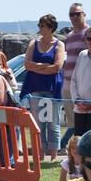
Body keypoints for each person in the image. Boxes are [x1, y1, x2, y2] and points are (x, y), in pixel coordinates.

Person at [21, 14, 66, 161]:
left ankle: (53, 156)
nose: (40, 28)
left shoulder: (59, 44)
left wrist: (37, 67)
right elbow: (27, 64)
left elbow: (57, 67)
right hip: (35, 87)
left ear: (51, 28)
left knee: (53, 123)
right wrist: (44, 66)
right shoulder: (33, 43)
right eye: (39, 25)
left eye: (43, 25)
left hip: (52, 88)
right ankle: (39, 154)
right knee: (38, 123)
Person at [60, 2, 90, 147]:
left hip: (82, 83)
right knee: (72, 120)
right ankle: (75, 148)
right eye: (72, 14)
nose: (75, 17)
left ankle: (77, 146)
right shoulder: (70, 35)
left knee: (83, 118)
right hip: (67, 82)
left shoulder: (90, 34)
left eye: (78, 14)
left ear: (84, 14)